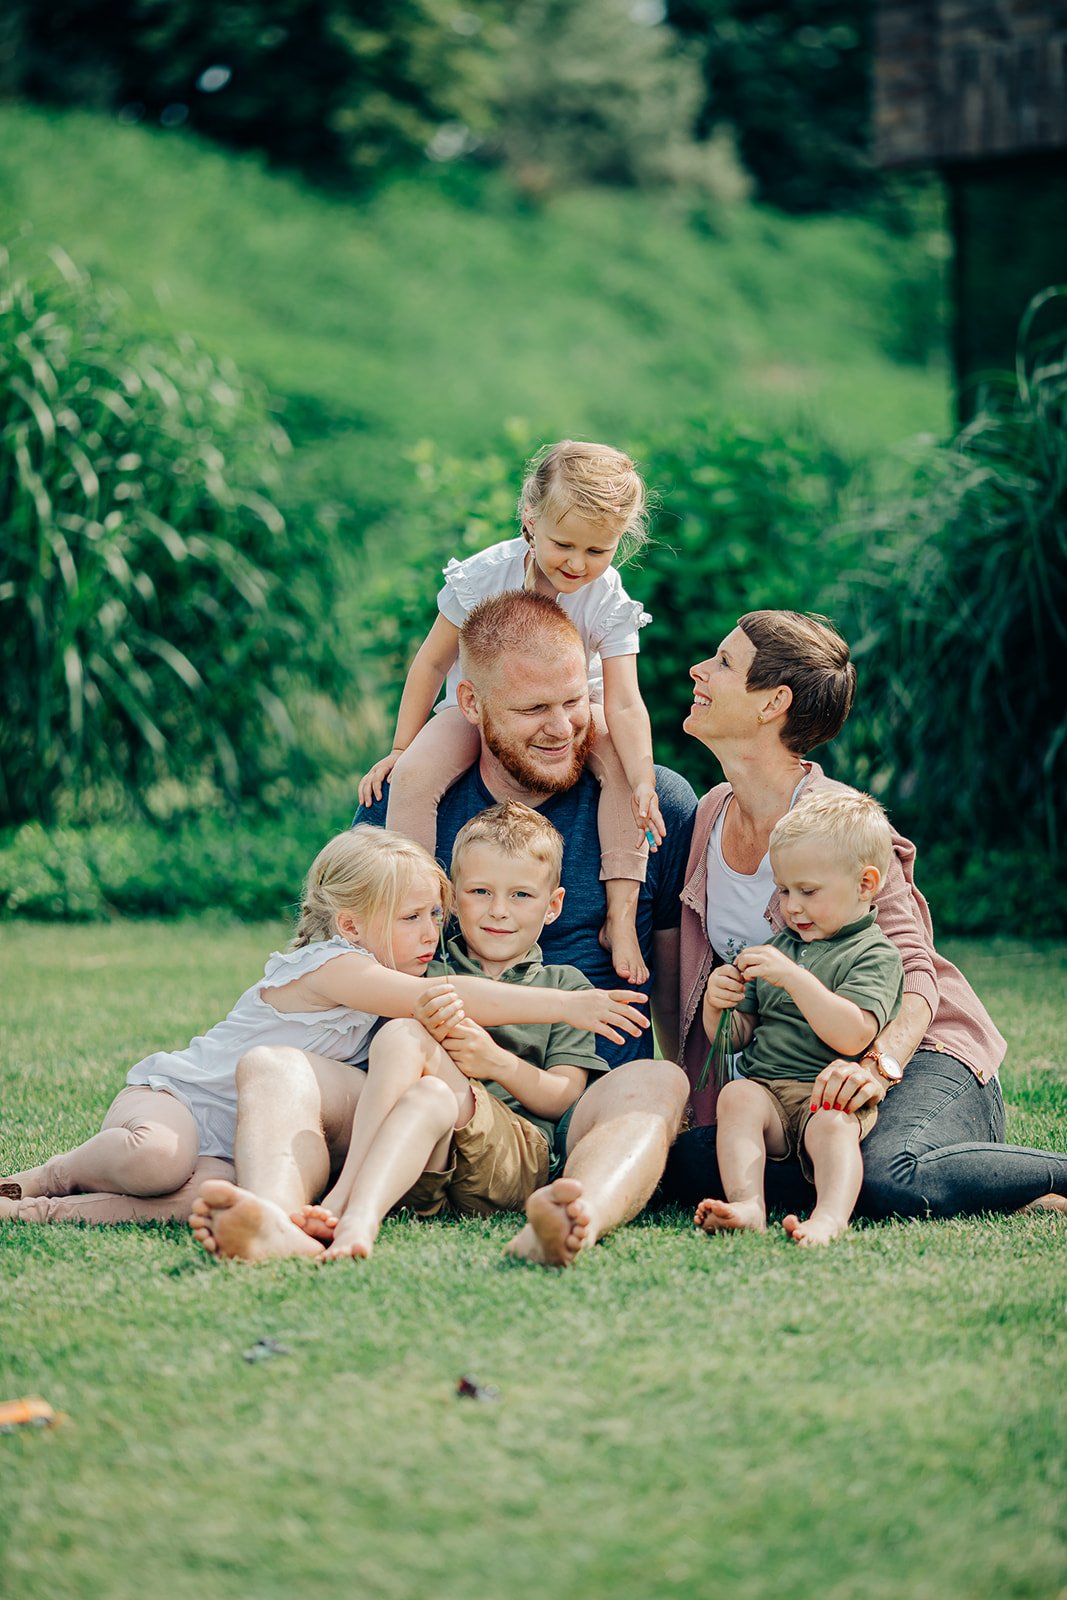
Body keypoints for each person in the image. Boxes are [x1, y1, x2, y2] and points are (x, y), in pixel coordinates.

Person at [202, 592, 695, 1268]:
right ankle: (279, 1224)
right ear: (470, 705)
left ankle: (569, 1217)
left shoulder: (653, 802)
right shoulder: (404, 808)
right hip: (404, 1094)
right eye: (530, 710)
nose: (561, 728)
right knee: (275, 1067)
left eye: (573, 701)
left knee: (659, 1082)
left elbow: (671, 974)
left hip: (566, 1108)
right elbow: (347, 958)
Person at [0, 828, 649, 1232]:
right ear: (350, 925)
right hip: (182, 1101)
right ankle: (56, 1173)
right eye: (412, 917)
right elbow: (436, 997)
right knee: (153, 1159)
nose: (432, 931)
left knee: (204, 1192)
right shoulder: (335, 965)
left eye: (434, 914)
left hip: (234, 1137)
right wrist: (565, 1008)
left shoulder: (378, 970)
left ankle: (42, 1212)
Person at [665, 608, 1067, 1220]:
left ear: (773, 702)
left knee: (888, 1182)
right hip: (797, 1083)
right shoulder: (710, 813)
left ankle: (966, 1167)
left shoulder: (842, 822)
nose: (699, 669)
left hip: (916, 1059)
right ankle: (992, 1186)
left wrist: (879, 1066)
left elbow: (916, 974)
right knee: (691, 1165)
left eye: (723, 662)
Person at [357, 439, 662, 985]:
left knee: (619, 770)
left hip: (576, 713)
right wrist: (401, 748)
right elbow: (430, 665)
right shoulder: (485, 575)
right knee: (415, 778)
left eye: (598, 551)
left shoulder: (608, 596)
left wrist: (641, 779)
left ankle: (619, 916)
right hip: (476, 709)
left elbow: (622, 700)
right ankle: (416, 911)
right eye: (564, 544)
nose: (577, 564)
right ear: (530, 519)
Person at [287, 802, 609, 1260]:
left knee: (403, 1036)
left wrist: (496, 1062)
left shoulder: (565, 987)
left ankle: (343, 1193)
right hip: (422, 1153)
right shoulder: (422, 969)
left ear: (553, 905)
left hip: (512, 1156)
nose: (499, 911)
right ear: (453, 898)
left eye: (521, 895)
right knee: (425, 1093)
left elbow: (563, 1099)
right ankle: (360, 1216)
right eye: (480, 891)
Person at [694, 789, 903, 1246]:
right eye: (784, 890)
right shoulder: (777, 949)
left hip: (826, 1091)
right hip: (769, 1092)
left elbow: (854, 1035)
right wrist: (719, 1005)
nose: (791, 906)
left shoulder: (874, 954)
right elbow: (734, 1040)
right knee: (737, 1095)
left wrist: (794, 979)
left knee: (832, 1125)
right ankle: (748, 1204)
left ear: (866, 884)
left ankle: (829, 1217)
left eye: (807, 891)